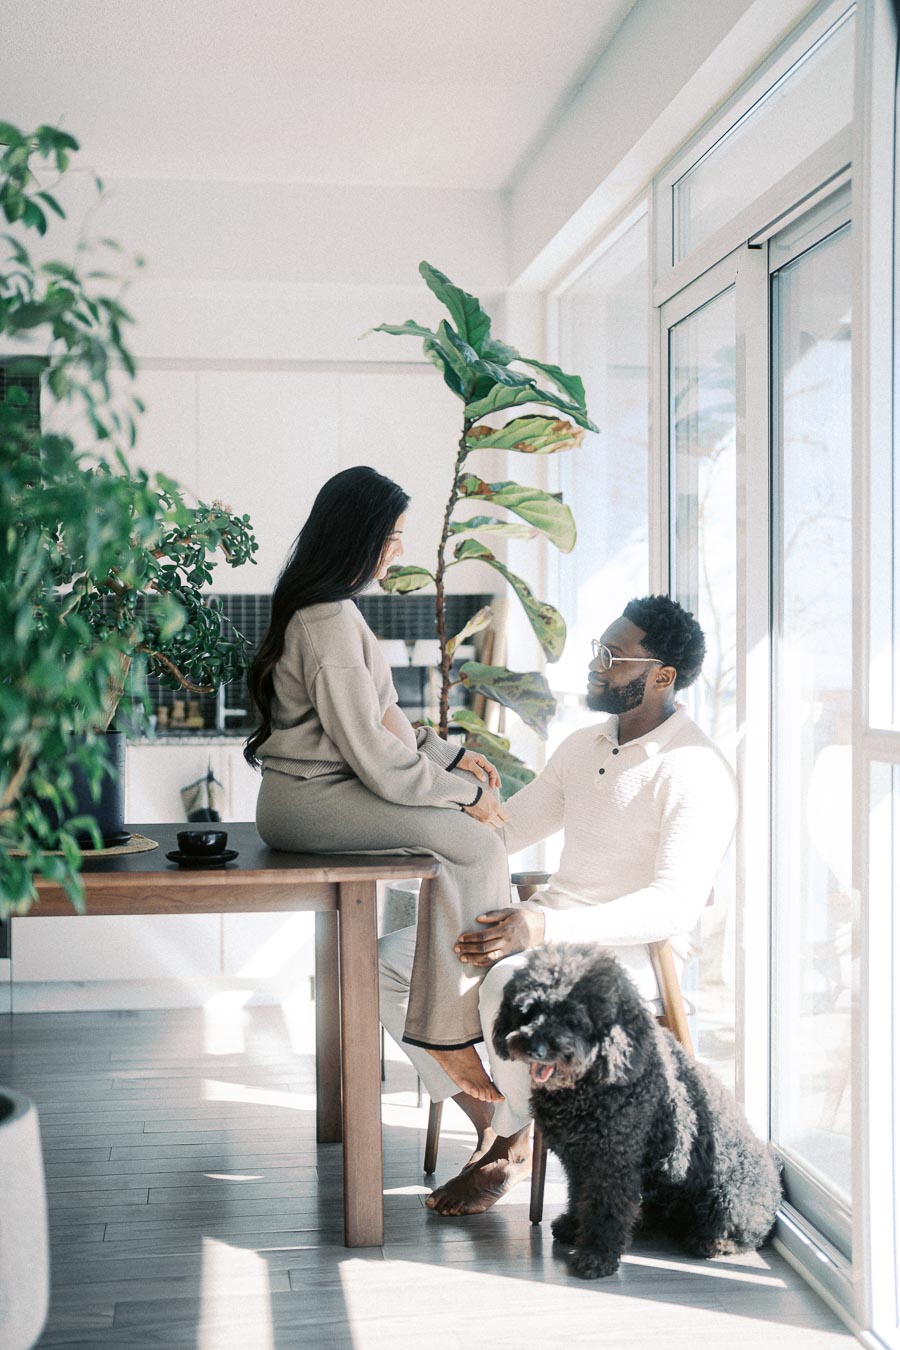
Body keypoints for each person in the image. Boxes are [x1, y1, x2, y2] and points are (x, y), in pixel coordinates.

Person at [378, 594, 738, 1214]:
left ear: (663, 677)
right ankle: (496, 1119)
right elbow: (505, 832)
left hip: (628, 952)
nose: (595, 665)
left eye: (613, 656)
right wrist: (431, 802)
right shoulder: (585, 747)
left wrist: (543, 924)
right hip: (547, 928)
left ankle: (513, 1142)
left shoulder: (695, 770)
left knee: (510, 980)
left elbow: (673, 906)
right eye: (597, 650)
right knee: (385, 960)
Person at [247, 466, 510, 1102]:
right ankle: (453, 1030)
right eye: (390, 536)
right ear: (356, 536)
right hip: (310, 801)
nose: (398, 549)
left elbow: (383, 722)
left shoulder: (338, 612)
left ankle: (456, 1020)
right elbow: (376, 758)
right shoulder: (326, 621)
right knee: (474, 845)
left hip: (326, 792)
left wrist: (452, 757)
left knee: (475, 844)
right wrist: (467, 796)